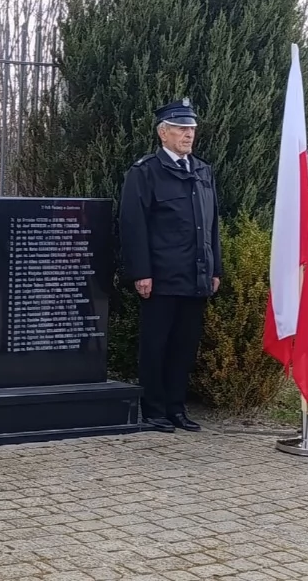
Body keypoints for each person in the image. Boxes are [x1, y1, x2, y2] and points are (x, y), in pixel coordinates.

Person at [119, 98, 222, 434]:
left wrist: (215, 269)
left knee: (184, 347)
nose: (188, 134)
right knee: (156, 346)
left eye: (191, 128)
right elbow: (133, 225)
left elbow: (212, 225)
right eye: (180, 128)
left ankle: (177, 408)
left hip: (196, 276)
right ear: (163, 133)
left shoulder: (202, 171)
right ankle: (154, 409)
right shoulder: (145, 172)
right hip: (162, 277)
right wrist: (141, 272)